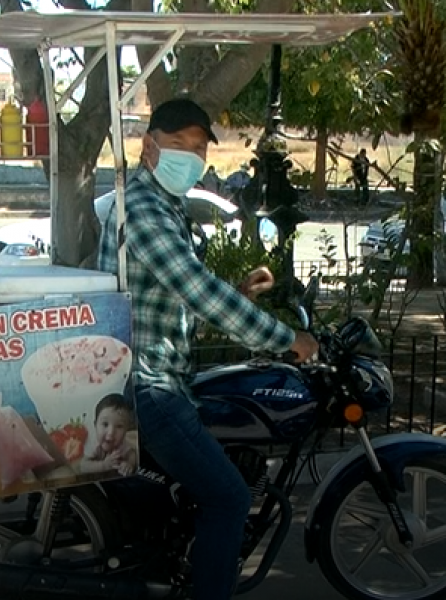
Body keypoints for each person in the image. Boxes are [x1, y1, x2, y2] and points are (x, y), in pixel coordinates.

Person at [97, 97, 318, 600]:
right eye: (180, 145)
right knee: (228, 499)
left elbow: (173, 297)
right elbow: (194, 287)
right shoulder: (146, 210)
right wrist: (288, 339)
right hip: (146, 383)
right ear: (149, 146)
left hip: (154, 371)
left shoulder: (163, 205)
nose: (191, 158)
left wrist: (238, 292)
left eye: (199, 149)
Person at [81, 393, 137, 477]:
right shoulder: (94, 444)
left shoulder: (121, 444)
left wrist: (129, 464)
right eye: (105, 424)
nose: (111, 432)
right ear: (95, 425)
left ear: (126, 430)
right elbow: (83, 467)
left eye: (119, 426)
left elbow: (132, 454)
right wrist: (104, 465)